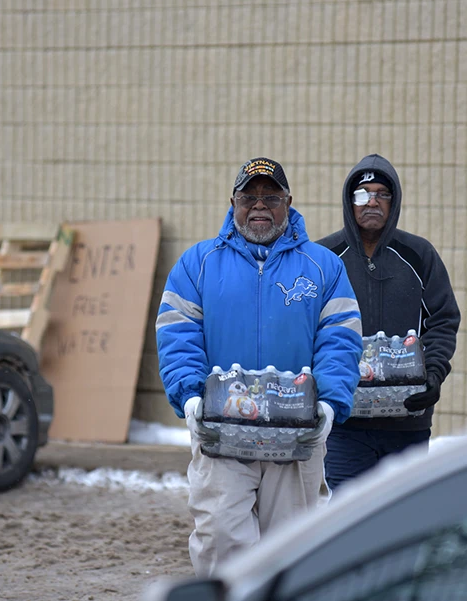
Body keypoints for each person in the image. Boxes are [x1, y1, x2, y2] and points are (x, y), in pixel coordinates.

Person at [155, 157, 363, 576]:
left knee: (290, 549)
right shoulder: (198, 264)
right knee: (221, 540)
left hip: (297, 434)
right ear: (232, 202)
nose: (260, 206)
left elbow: (340, 338)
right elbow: (178, 334)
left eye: (271, 197)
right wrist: (191, 396)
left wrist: (329, 402)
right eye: (249, 197)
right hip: (220, 429)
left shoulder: (323, 267)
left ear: (289, 202)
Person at [317, 153, 461, 491]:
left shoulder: (419, 255)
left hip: (406, 422)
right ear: (348, 201)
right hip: (345, 424)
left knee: (400, 521)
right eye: (362, 194)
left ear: (393, 202)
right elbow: (305, 328)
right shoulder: (324, 259)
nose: (372, 202)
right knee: (347, 517)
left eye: (382, 194)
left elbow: (442, 320)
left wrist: (434, 375)